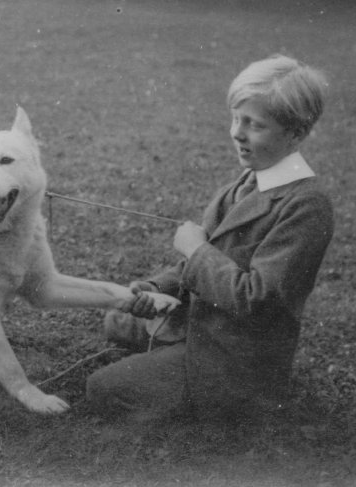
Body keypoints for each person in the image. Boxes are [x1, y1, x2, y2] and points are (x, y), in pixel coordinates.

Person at [86, 54, 334, 423]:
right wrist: (155, 287)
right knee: (117, 318)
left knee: (103, 389)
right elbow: (196, 266)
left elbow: (256, 300)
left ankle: (217, 413)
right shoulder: (245, 182)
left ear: (295, 134)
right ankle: (170, 351)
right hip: (202, 323)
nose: (237, 132)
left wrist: (198, 249)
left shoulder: (306, 206)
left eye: (255, 125)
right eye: (236, 119)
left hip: (236, 359)